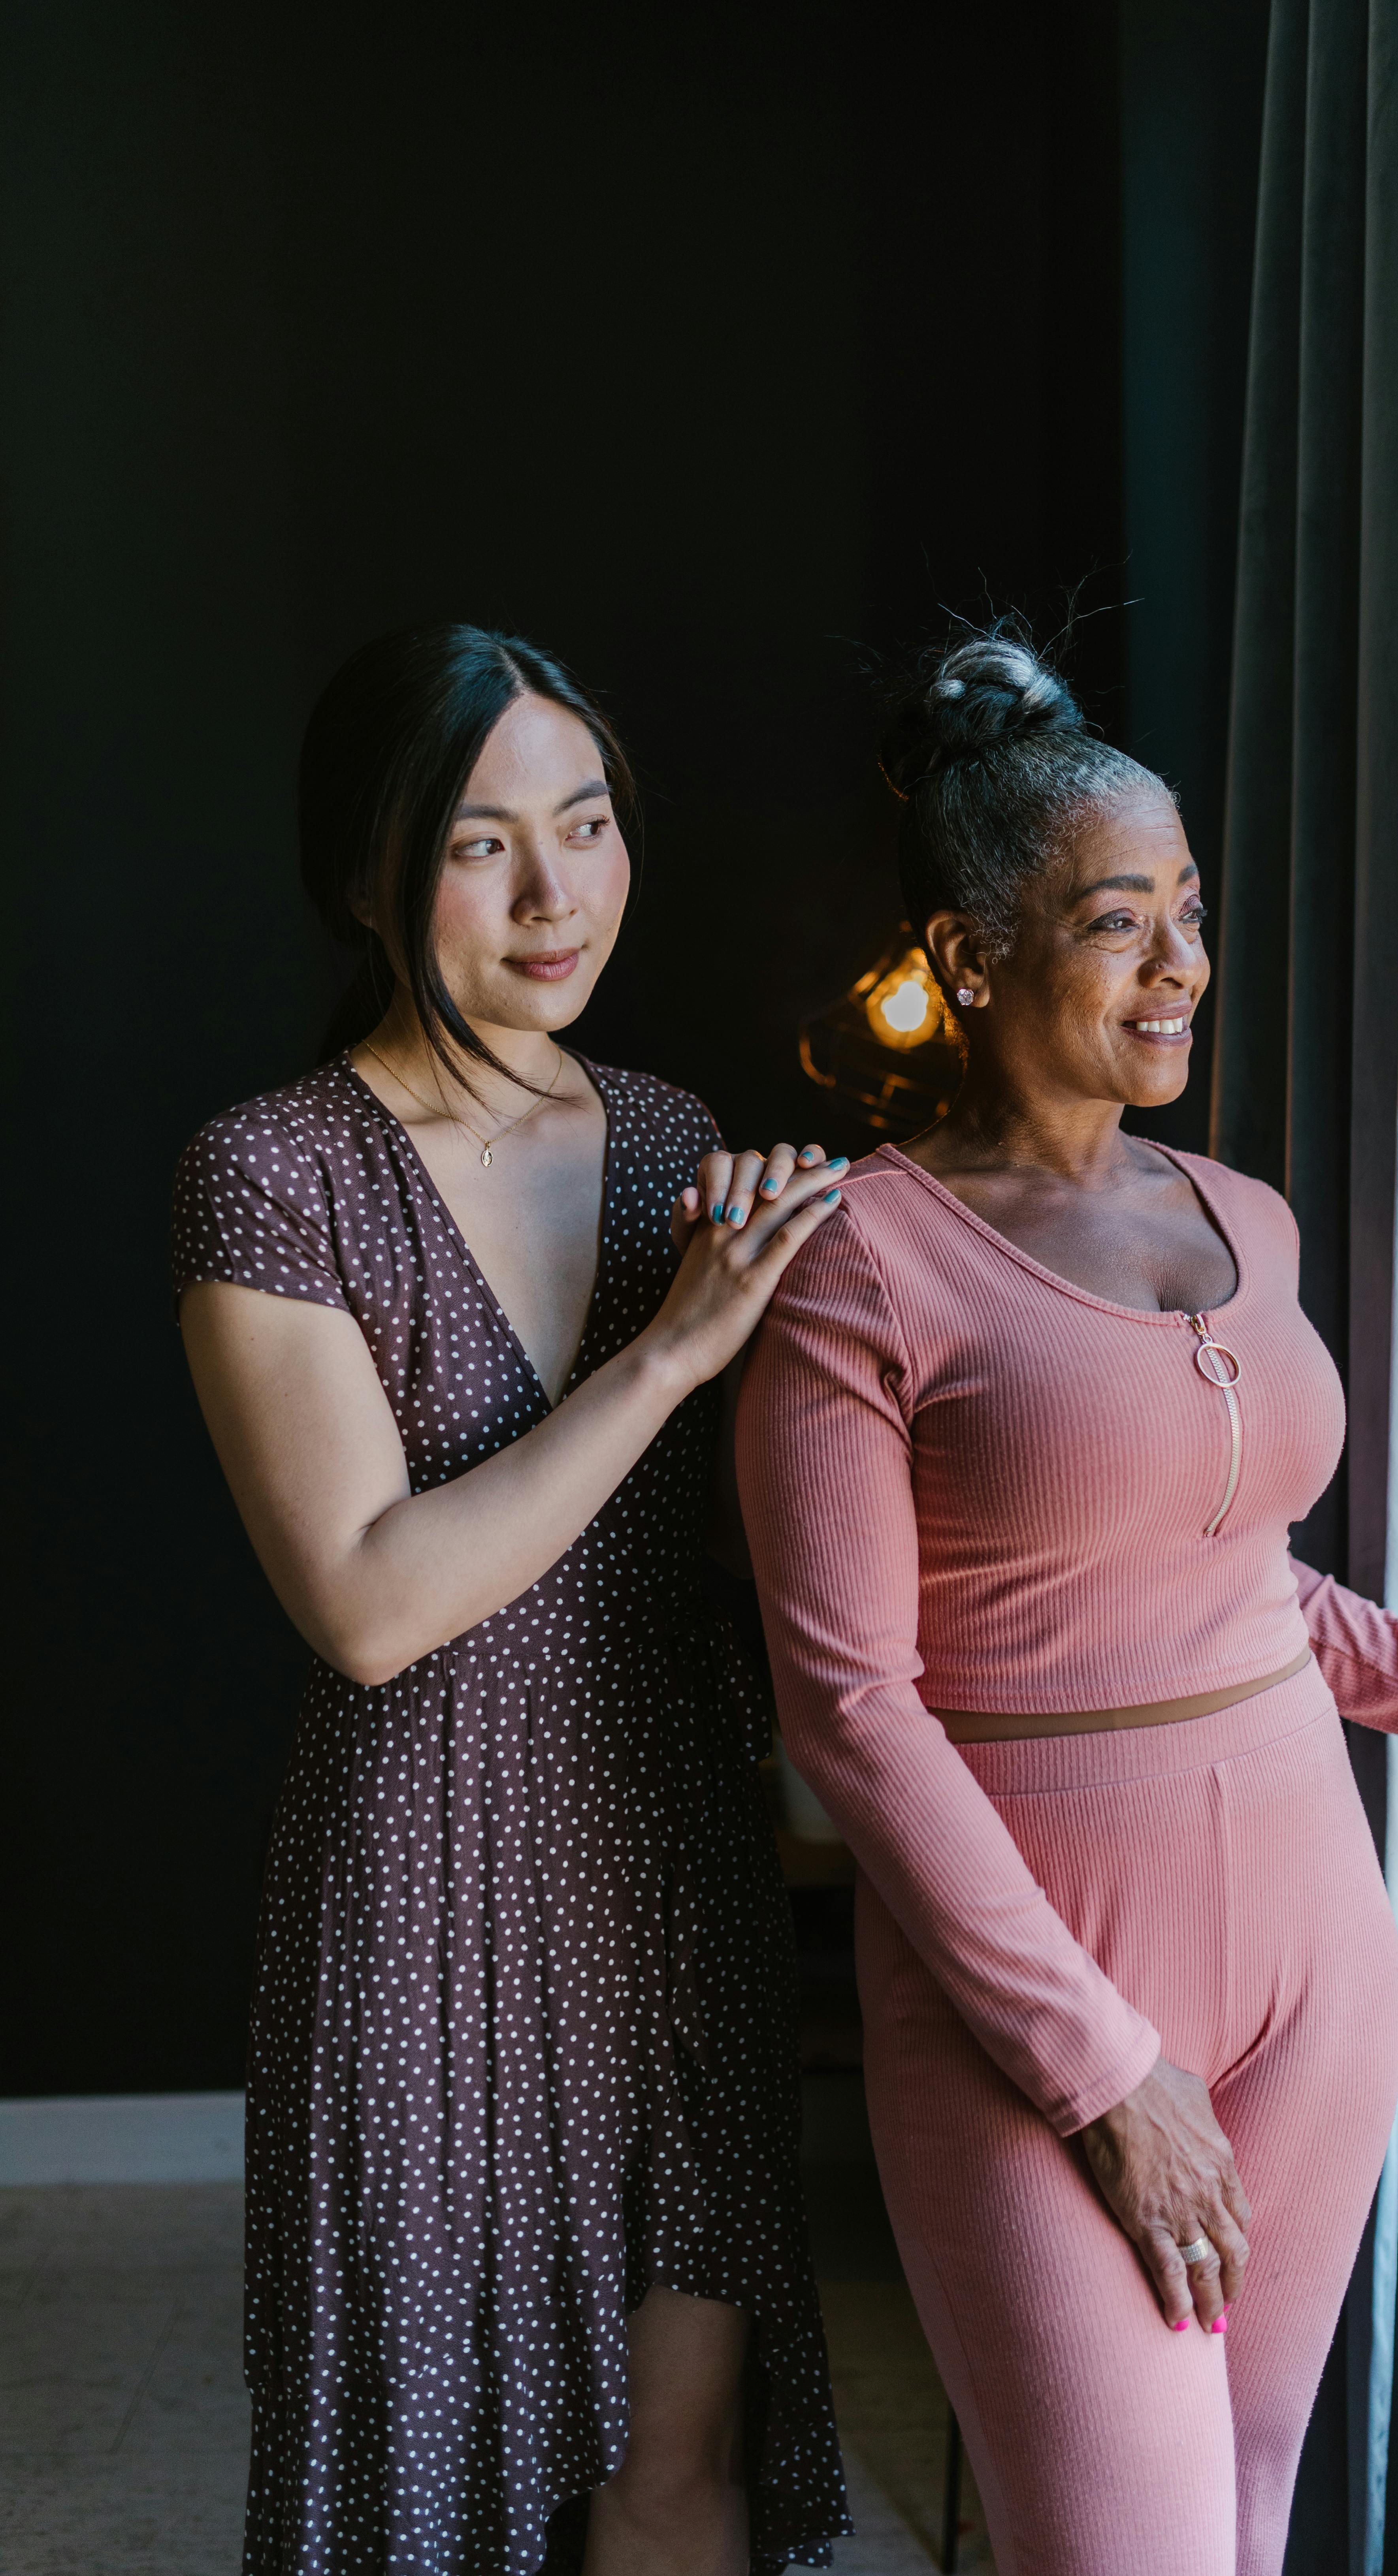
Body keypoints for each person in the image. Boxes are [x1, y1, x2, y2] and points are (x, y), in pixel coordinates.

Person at [734, 629, 1398, 2576]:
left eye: (1188, 908)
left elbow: (1253, 1596)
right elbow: (849, 1712)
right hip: (1041, 1998)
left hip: (1316, 1965)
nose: (1183, 958)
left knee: (1246, 2523)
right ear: (974, 952)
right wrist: (1102, 2070)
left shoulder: (1235, 1213)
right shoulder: (855, 1264)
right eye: (1119, 919)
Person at [172, 624, 853, 2576]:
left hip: (670, 1860)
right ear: (367, 875)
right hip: (422, 1892)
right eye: (484, 845)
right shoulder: (272, 1172)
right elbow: (371, 1604)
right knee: (415, 2483)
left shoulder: (664, 1139)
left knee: (681, 2460)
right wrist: (668, 1358)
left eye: (589, 822)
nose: (559, 895)